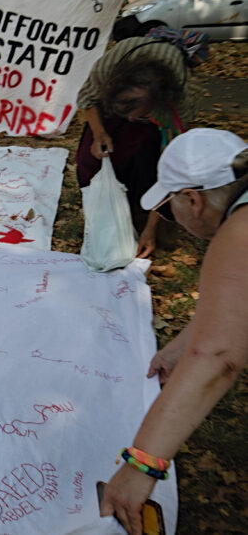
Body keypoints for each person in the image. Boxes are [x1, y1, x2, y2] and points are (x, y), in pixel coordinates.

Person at [99, 128, 248, 535]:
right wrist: (182, 345)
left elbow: (218, 357)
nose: (171, 217)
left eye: (169, 207)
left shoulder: (240, 231)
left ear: (193, 199)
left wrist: (142, 465)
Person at [76, 35, 204, 259]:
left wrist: (150, 230)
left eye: (138, 115)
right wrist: (100, 134)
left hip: (160, 112)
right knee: (90, 160)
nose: (130, 119)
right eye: (124, 111)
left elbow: (169, 171)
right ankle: (104, 215)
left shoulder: (181, 100)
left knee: (147, 166)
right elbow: (87, 99)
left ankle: (148, 218)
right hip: (112, 106)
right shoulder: (108, 68)